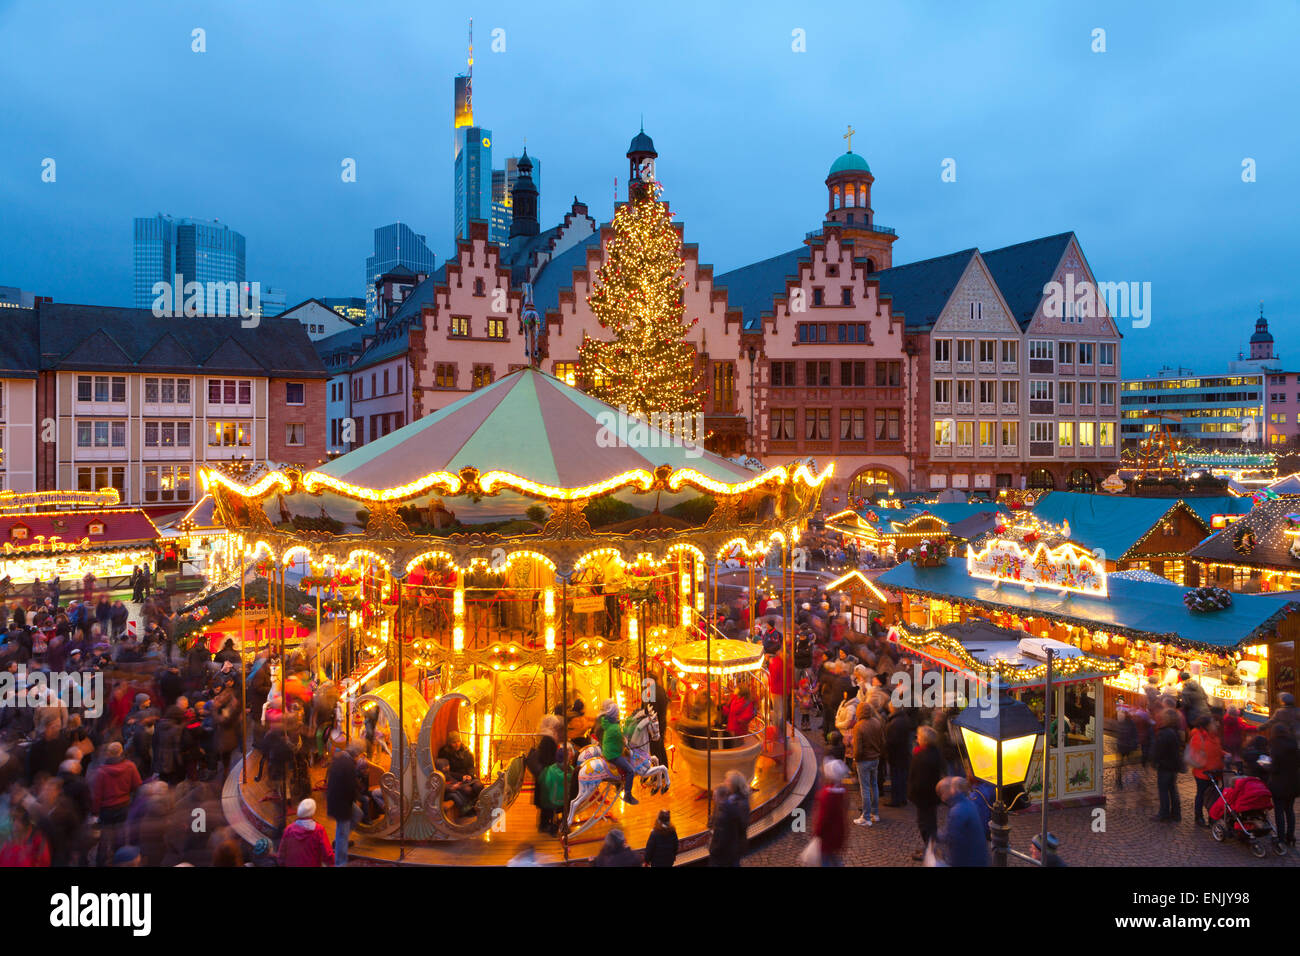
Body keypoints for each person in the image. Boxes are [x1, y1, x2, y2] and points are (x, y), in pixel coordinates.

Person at [91, 741, 142, 866]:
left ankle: (101, 861)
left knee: (104, 838)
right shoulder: (130, 766)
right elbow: (137, 786)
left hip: (106, 810)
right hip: (124, 806)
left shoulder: (101, 772)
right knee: (121, 836)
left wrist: (95, 813)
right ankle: (119, 860)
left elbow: (97, 795)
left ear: (108, 754)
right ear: (121, 752)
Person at [908, 725, 944, 860]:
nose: (917, 738)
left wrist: (912, 794)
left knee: (925, 824)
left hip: (924, 797)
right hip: (931, 796)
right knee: (930, 823)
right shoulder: (935, 752)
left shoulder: (922, 756)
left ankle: (930, 851)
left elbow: (918, 779)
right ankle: (930, 847)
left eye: (919, 736)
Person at [937, 776, 989, 866]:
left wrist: (936, 836)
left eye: (942, 793)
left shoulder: (957, 811)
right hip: (978, 857)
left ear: (952, 791)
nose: (942, 797)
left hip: (968, 860)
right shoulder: (969, 803)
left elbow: (952, 837)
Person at [593, 699, 637, 804]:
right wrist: (632, 728)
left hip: (608, 749)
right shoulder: (615, 728)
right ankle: (628, 794)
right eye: (617, 713)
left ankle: (620, 783)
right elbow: (622, 738)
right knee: (631, 770)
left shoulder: (607, 723)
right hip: (612, 753)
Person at [326, 742, 360, 866]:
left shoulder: (343, 760)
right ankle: (340, 862)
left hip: (340, 799)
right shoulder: (348, 764)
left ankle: (341, 840)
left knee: (357, 814)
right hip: (342, 802)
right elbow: (350, 786)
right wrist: (355, 798)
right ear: (356, 753)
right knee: (342, 831)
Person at [852, 701, 884, 827]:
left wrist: (855, 759)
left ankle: (866, 817)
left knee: (864, 788)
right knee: (874, 785)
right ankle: (874, 814)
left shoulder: (859, 726)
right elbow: (882, 740)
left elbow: (858, 749)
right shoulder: (877, 722)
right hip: (875, 758)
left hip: (864, 760)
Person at [1188, 714, 1224, 827]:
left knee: (1214, 796)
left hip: (1215, 772)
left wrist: (1225, 754)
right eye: (1213, 722)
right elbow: (1196, 754)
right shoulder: (1198, 737)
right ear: (1207, 726)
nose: (1216, 724)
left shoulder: (1214, 736)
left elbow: (1217, 750)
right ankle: (1199, 817)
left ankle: (1212, 817)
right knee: (1201, 794)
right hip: (1203, 773)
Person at [811, 758, 849, 866]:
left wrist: (817, 833)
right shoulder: (843, 791)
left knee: (825, 860)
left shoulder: (825, 795)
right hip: (839, 833)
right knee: (835, 858)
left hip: (827, 836)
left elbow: (823, 818)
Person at [1267, 722, 1299, 846]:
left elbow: (1274, 768)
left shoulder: (1276, 746)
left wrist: (1267, 766)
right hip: (1293, 783)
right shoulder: (1293, 744)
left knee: (1279, 811)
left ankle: (1280, 838)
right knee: (1289, 810)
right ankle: (1290, 836)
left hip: (1279, 784)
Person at [277, 798, 335, 867]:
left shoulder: (289, 829)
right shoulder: (319, 830)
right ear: (313, 812)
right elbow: (328, 855)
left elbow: (281, 854)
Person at [1151, 709, 1184, 823]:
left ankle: (1164, 813)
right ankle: (1176, 814)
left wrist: (1155, 761)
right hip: (1173, 766)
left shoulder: (1164, 733)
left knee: (1164, 790)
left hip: (1165, 766)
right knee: (1172, 790)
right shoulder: (1175, 731)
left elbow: (1159, 750)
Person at [884, 699, 913, 807]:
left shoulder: (895, 722)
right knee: (902, 776)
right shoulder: (904, 719)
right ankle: (902, 798)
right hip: (903, 753)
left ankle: (896, 800)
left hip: (896, 754)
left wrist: (887, 750)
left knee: (896, 777)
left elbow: (892, 741)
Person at [1114, 706, 1138, 789]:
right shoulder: (1131, 722)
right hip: (1126, 745)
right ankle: (1120, 779)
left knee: (1120, 764)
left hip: (1122, 745)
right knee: (1128, 763)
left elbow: (1118, 732)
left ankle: (1119, 779)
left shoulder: (1121, 721)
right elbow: (1134, 734)